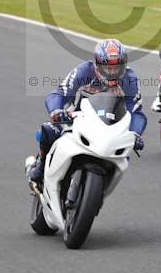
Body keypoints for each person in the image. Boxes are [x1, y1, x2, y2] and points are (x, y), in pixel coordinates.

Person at [28, 38, 147, 183]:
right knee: (48, 130)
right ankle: (41, 166)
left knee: (123, 155)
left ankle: (102, 185)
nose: (112, 72)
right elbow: (59, 93)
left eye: (117, 68)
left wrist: (135, 133)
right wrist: (56, 111)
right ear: (98, 65)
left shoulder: (129, 79)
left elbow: (135, 111)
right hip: (76, 120)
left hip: (110, 127)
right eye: (108, 68)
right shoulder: (83, 71)